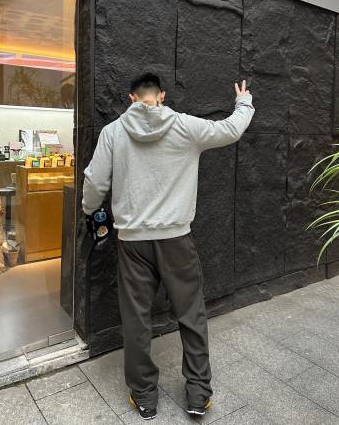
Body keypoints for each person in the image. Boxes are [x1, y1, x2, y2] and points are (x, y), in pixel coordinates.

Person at [82, 73, 255, 420]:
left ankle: (144, 396)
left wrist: (90, 209)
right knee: (191, 315)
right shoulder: (186, 126)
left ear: (132, 98)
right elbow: (230, 130)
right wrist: (243, 102)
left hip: (132, 243)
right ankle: (198, 394)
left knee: (136, 320)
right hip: (176, 240)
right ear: (161, 96)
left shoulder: (113, 132)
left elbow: (95, 182)